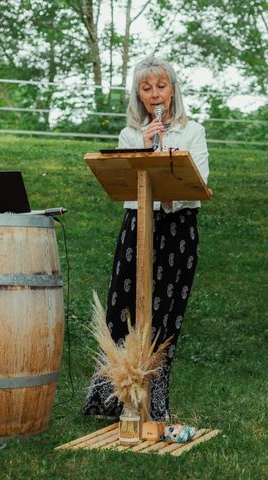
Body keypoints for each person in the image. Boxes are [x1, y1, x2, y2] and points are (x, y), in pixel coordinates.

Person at [83, 56, 210, 422]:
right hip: (139, 225)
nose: (155, 94)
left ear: (173, 91)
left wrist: (169, 166)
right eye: (146, 88)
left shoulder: (193, 131)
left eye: (161, 86)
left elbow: (199, 180)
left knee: (166, 312)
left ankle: (154, 401)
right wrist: (143, 145)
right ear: (138, 95)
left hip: (178, 230)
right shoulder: (128, 135)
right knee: (124, 307)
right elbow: (123, 179)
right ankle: (112, 399)